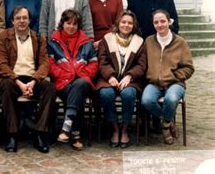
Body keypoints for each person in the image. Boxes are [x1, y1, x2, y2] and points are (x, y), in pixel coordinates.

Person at [0, 6, 56, 153]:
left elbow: (44, 63)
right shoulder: (2, 37)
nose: (21, 21)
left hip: (32, 78)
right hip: (12, 78)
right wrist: (19, 82)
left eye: (24, 18)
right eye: (18, 18)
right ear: (12, 21)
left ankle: (39, 133)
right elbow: (1, 64)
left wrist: (34, 81)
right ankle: (12, 134)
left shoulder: (38, 38)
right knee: (6, 86)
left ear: (29, 20)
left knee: (49, 89)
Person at [141, 9, 194, 145]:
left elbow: (189, 67)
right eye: (156, 22)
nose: (160, 25)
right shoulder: (149, 41)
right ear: (153, 24)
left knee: (171, 99)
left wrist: (175, 76)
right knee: (146, 100)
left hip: (175, 83)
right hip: (154, 83)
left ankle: (164, 126)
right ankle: (168, 120)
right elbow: (143, 63)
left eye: (163, 21)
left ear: (169, 22)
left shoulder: (180, 42)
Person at [47, 9, 98, 151]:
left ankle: (66, 128)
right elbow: (50, 65)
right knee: (76, 93)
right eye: (68, 23)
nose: (71, 27)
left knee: (80, 85)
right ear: (62, 24)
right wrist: (65, 76)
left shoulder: (87, 43)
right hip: (63, 82)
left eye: (75, 24)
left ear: (79, 26)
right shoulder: (53, 42)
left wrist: (83, 73)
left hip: (82, 80)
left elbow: (94, 64)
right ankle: (75, 134)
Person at [96, 10, 147, 148]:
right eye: (123, 22)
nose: (126, 25)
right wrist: (110, 76)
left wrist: (129, 76)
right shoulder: (107, 39)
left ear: (134, 25)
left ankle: (124, 129)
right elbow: (102, 60)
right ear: (118, 23)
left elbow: (141, 65)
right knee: (106, 94)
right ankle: (115, 128)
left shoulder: (139, 42)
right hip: (108, 79)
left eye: (130, 23)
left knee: (128, 94)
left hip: (131, 80)